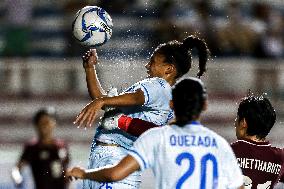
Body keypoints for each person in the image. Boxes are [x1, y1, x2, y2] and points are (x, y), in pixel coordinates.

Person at [74, 35, 210, 188]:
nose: (147, 65)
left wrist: (102, 101)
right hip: (114, 160)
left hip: (115, 158)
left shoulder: (159, 86)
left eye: (152, 62)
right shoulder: (166, 99)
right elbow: (104, 103)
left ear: (169, 69)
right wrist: (90, 69)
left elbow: (130, 98)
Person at [67, 77, 244, 189]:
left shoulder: (156, 137)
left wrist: (84, 174)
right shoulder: (219, 144)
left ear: (172, 105)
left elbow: (115, 174)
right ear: (204, 106)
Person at [231, 95, 284, 189]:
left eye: (237, 118)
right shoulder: (280, 157)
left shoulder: (228, 151)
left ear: (243, 122)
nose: (235, 122)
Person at [11, 107, 70, 189]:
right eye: (42, 123)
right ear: (36, 125)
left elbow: (67, 171)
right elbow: (17, 168)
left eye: (47, 122)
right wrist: (17, 177)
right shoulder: (32, 147)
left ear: (54, 124)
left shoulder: (61, 146)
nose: (45, 126)